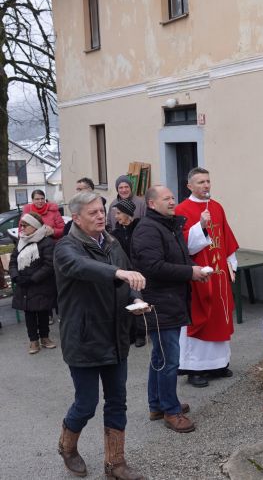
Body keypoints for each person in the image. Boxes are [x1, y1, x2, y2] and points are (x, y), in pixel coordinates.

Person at [54, 191, 147, 479]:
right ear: (77, 218)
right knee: (86, 403)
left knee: (118, 400)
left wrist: (135, 298)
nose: (99, 216)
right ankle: (67, 446)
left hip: (115, 335)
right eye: (92, 212)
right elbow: (84, 268)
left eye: (101, 210)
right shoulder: (66, 247)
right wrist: (118, 272)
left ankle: (115, 464)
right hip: (83, 338)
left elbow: (128, 277)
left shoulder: (112, 242)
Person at [132, 185, 209, 432]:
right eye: (166, 198)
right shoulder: (147, 229)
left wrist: (195, 271)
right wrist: (190, 272)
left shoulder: (168, 225)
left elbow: (180, 256)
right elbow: (153, 266)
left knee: (160, 356)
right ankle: (170, 411)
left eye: (173, 197)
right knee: (169, 360)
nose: (172, 201)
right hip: (159, 301)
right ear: (152, 204)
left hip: (171, 300)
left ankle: (157, 404)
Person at [174, 167, 239, 388]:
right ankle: (195, 368)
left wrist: (231, 261)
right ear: (189, 186)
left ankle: (218, 364)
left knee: (220, 316)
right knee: (199, 318)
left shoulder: (217, 207)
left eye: (208, 181)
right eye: (200, 182)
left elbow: (226, 236)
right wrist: (199, 226)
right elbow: (183, 247)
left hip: (219, 274)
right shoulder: (182, 209)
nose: (206, 185)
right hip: (198, 274)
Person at [9, 212, 58, 354]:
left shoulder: (46, 242)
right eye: (21, 225)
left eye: (25, 225)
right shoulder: (21, 241)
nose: (22, 228)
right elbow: (13, 261)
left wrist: (32, 279)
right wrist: (15, 276)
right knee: (29, 314)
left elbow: (49, 265)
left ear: (35, 226)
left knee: (43, 312)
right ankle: (33, 341)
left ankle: (45, 337)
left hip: (40, 284)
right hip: (23, 285)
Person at [110, 197, 146, 348]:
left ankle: (141, 334)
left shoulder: (140, 228)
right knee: (127, 300)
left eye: (119, 213)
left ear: (127, 213)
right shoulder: (115, 232)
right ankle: (129, 333)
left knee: (139, 300)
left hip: (139, 269)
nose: (116, 217)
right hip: (124, 270)